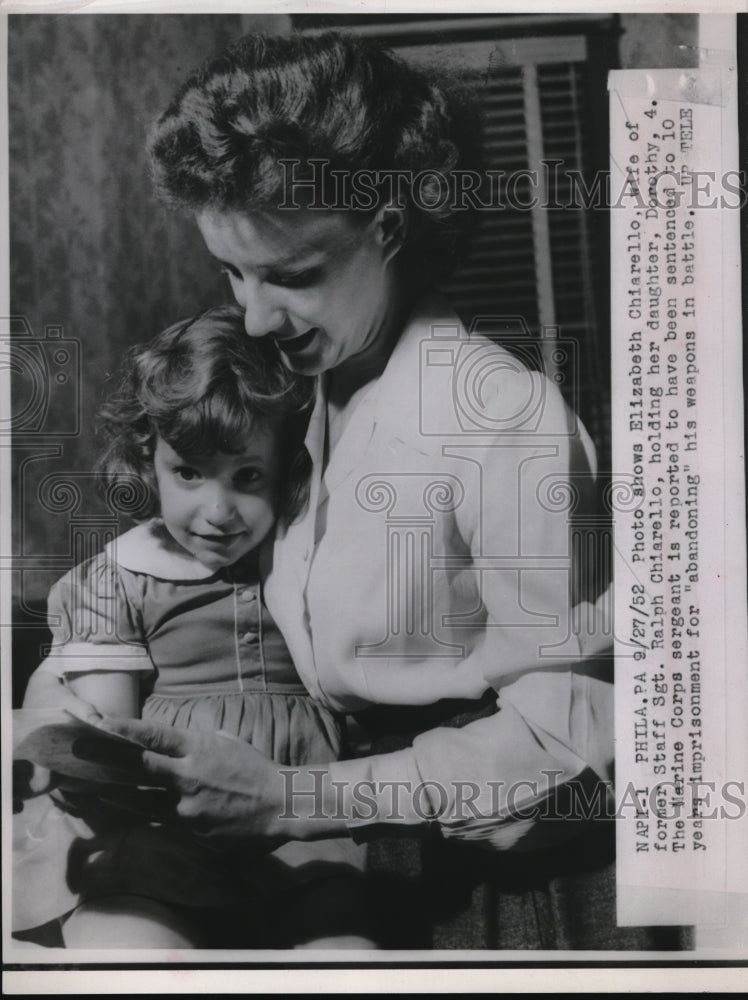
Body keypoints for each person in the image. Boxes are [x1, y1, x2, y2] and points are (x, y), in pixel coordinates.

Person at [23, 32, 687, 949]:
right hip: (336, 842)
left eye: (292, 275)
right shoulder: (300, 383)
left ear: (391, 223)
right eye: (231, 271)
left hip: (497, 882)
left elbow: (570, 750)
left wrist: (292, 798)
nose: (254, 315)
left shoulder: (496, 416)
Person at [13, 305, 373, 950]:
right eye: (188, 472)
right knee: (125, 949)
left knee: (345, 957)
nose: (217, 511)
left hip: (298, 839)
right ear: (148, 456)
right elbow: (107, 735)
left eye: (249, 476)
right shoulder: (118, 576)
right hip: (159, 838)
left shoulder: (316, 562)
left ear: (291, 465)